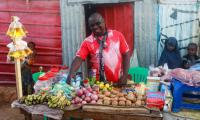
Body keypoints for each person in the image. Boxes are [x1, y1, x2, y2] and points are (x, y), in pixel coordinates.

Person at [67, 13, 130, 86]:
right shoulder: (88, 42)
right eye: (92, 25)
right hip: (98, 86)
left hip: (118, 82)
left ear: (103, 21)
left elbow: (126, 54)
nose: (95, 27)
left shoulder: (117, 35)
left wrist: (125, 75)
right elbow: (78, 58)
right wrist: (71, 74)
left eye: (98, 23)